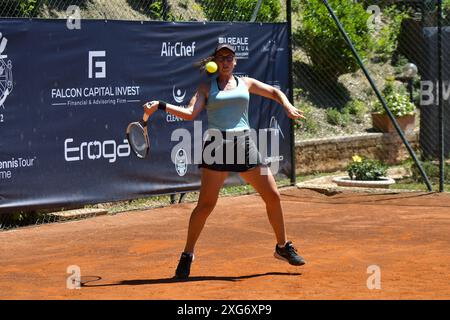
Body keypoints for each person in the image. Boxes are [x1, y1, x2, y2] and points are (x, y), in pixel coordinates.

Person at [143, 43, 306, 280]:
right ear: (215, 62)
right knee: (206, 205)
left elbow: (273, 92)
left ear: (235, 61)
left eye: (230, 57)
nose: (226, 61)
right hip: (217, 147)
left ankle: (282, 246)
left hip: (244, 145)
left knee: (273, 196)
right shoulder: (206, 88)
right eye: (221, 58)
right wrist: (160, 105)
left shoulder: (246, 83)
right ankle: (187, 254)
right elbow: (190, 113)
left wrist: (287, 105)